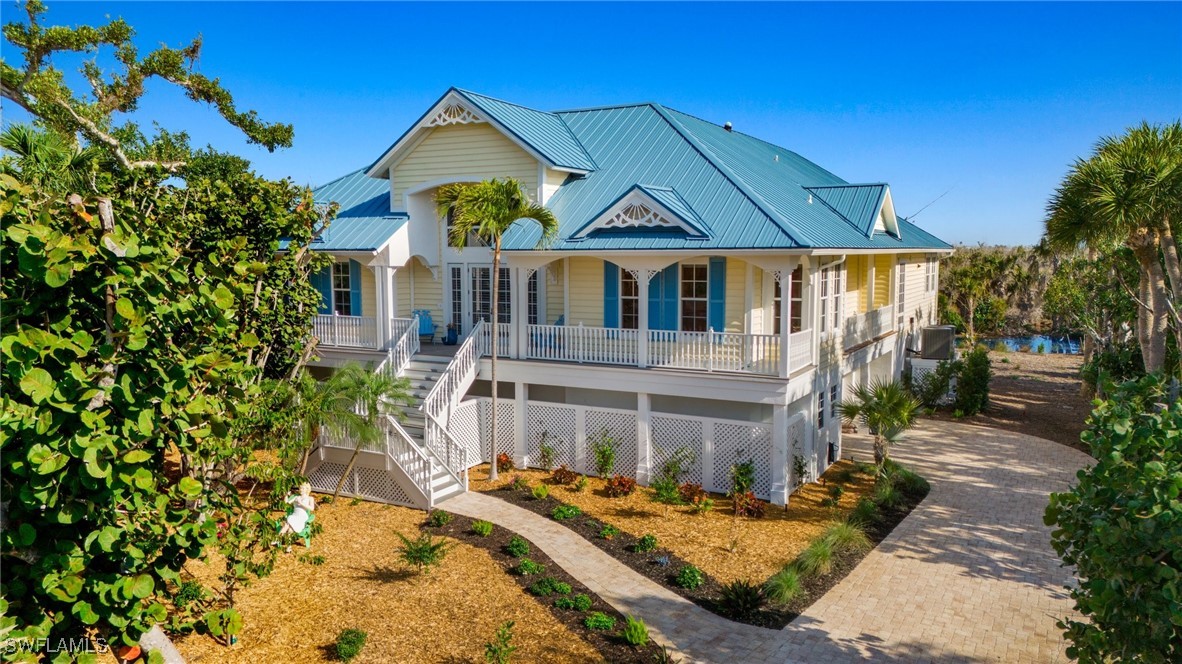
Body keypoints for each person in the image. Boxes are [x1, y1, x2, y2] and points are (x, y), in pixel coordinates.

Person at [278, 482, 316, 549]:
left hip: (302, 518)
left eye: (303, 488)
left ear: (307, 489)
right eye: (300, 488)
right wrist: (286, 495)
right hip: (294, 516)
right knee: (289, 529)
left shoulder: (310, 498)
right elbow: (286, 503)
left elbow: (312, 508)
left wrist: (301, 503)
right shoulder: (296, 497)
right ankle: (288, 546)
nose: (301, 490)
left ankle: (277, 538)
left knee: (288, 524)